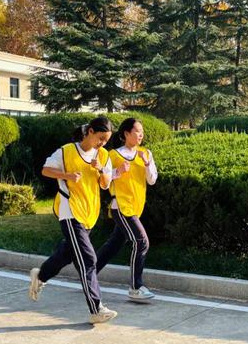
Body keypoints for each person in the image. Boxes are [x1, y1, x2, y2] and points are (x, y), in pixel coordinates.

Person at [28, 116, 118, 324]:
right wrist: (67, 175)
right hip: (69, 211)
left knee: (66, 254)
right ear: (90, 132)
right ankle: (96, 309)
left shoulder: (103, 155)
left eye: (106, 140)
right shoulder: (67, 151)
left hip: (89, 213)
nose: (102, 143)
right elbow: (45, 170)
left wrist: (100, 169)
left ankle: (40, 276)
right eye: (100, 138)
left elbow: (105, 184)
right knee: (88, 259)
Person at [96, 118, 158, 301]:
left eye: (142, 132)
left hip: (136, 207)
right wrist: (118, 172)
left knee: (114, 244)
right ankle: (135, 288)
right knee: (142, 242)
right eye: (137, 131)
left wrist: (147, 164)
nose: (141, 135)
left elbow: (152, 180)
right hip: (121, 206)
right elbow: (104, 182)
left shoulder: (146, 153)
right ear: (126, 134)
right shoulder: (113, 155)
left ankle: (88, 274)